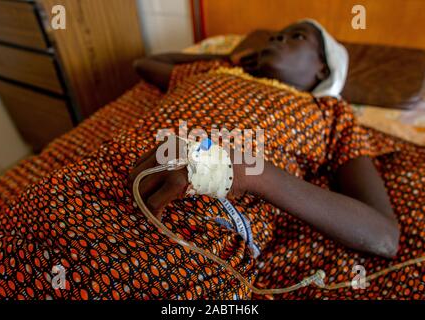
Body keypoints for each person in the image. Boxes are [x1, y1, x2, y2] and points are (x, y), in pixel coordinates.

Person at [132, 20, 399, 258]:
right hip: (119, 168)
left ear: (323, 68)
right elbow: (145, 64)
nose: (276, 39)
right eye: (273, 37)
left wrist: (249, 169)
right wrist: (227, 57)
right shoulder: (217, 71)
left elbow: (383, 236)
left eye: (297, 36)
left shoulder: (330, 112)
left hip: (198, 225)